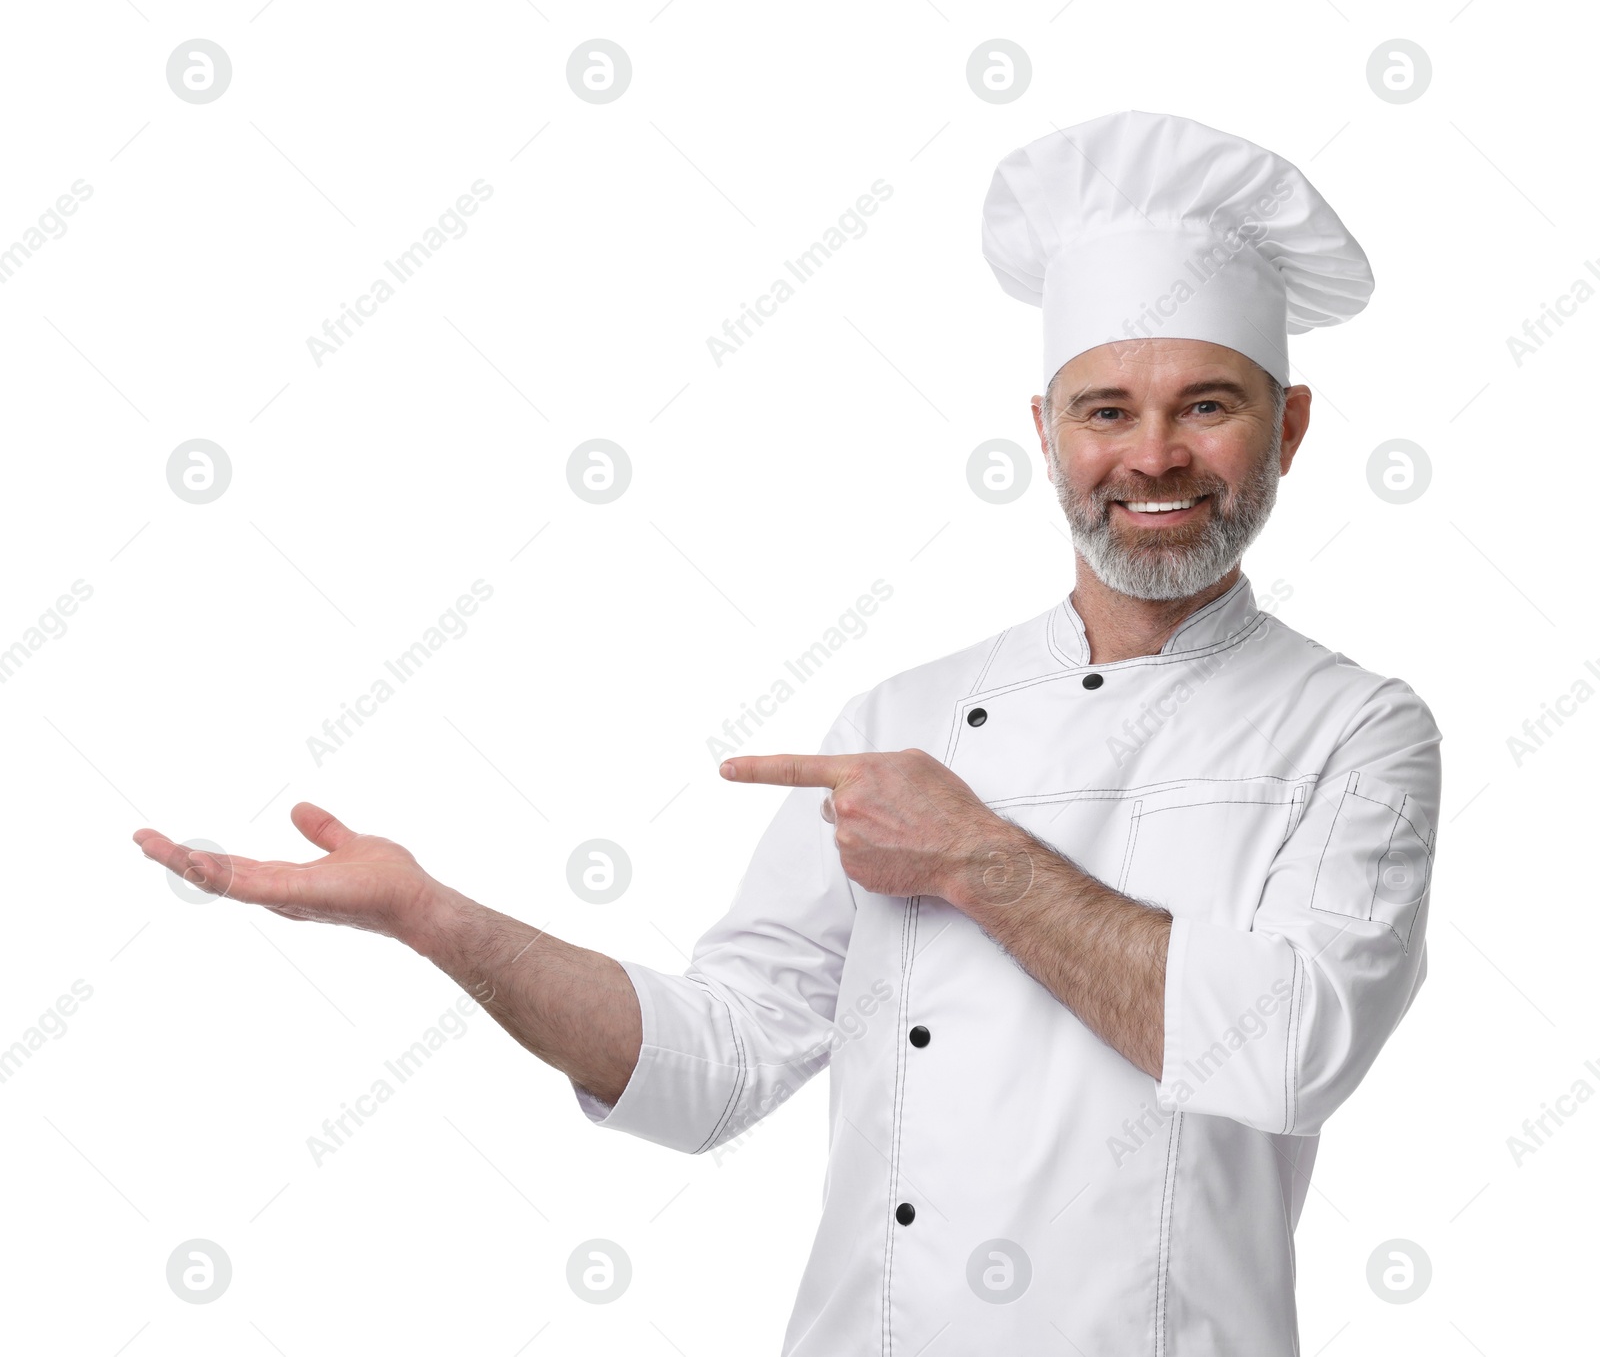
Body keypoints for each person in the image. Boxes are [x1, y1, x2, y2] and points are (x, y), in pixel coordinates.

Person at [134, 110, 1441, 1354]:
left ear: (1294, 426)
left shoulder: (1357, 731)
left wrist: (975, 856)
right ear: (1045, 434)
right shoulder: (905, 717)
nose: (1153, 457)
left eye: (1207, 404)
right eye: (1106, 410)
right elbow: (719, 1057)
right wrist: (438, 922)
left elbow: (1283, 1052)